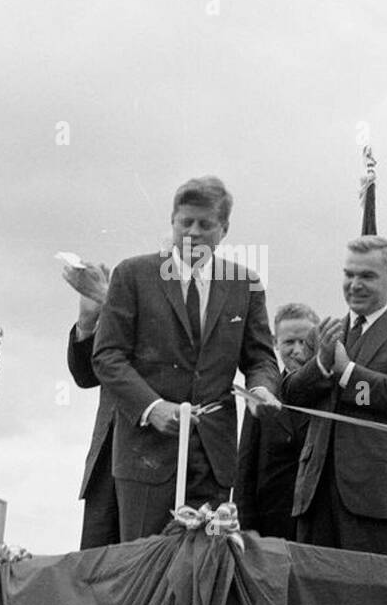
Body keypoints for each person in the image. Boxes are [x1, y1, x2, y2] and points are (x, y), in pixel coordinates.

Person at [93, 176, 281, 541]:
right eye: (186, 222)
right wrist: (152, 408)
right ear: (173, 221)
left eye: (205, 224)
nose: (193, 232)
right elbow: (107, 356)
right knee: (144, 570)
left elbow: (260, 357)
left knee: (202, 571)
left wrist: (262, 388)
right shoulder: (133, 274)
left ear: (223, 230)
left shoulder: (245, 284)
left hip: (213, 457)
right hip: (146, 453)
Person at [283, 236, 387, 557]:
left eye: (367, 276)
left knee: (373, 597)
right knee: (311, 598)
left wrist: (348, 372)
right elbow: (292, 397)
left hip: (375, 499)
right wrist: (322, 363)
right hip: (314, 495)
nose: (355, 285)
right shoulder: (322, 334)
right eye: (348, 275)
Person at [234, 303, 319, 539]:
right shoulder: (262, 395)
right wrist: (245, 532)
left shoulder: (330, 392)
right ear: (274, 343)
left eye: (305, 341)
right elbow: (245, 468)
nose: (298, 350)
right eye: (289, 342)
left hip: (318, 523)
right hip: (270, 523)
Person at [63, 259, 121, 549]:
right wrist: (87, 323)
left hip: (160, 469)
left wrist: (109, 299)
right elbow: (86, 376)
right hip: (106, 469)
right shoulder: (118, 315)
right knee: (94, 580)